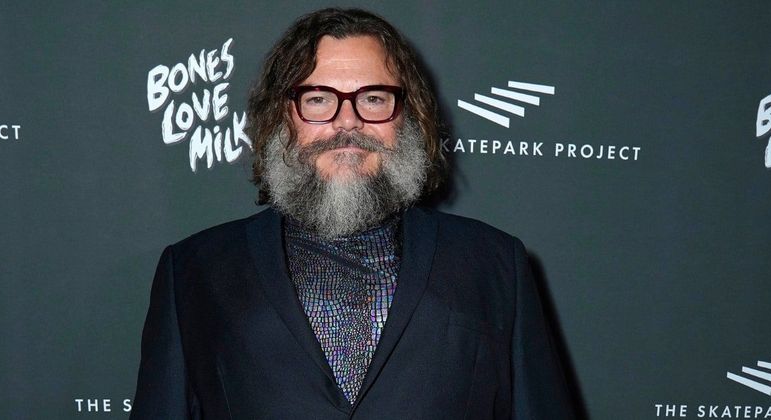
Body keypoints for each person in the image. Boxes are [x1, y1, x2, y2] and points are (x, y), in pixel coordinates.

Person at [130, 8, 575, 420]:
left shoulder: (495, 263)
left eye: (374, 98)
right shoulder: (193, 271)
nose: (348, 121)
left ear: (408, 116)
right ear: (282, 116)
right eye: (318, 99)